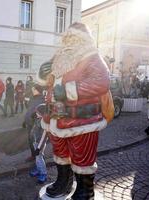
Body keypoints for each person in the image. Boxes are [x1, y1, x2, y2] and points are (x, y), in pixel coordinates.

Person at [36, 23, 114, 199]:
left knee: (83, 155)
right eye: (68, 37)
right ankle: (64, 183)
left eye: (74, 37)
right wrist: (42, 74)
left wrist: (68, 90)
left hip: (82, 119)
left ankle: (85, 190)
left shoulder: (92, 57)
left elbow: (101, 82)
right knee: (60, 153)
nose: (69, 41)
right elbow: (44, 82)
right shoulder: (59, 56)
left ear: (83, 39)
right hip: (56, 116)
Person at [25, 84, 48, 184]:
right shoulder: (38, 119)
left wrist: (38, 147)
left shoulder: (43, 122)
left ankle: (43, 173)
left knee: (39, 158)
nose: (36, 113)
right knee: (38, 158)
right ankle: (38, 170)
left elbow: (44, 136)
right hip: (35, 141)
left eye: (37, 112)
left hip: (39, 143)